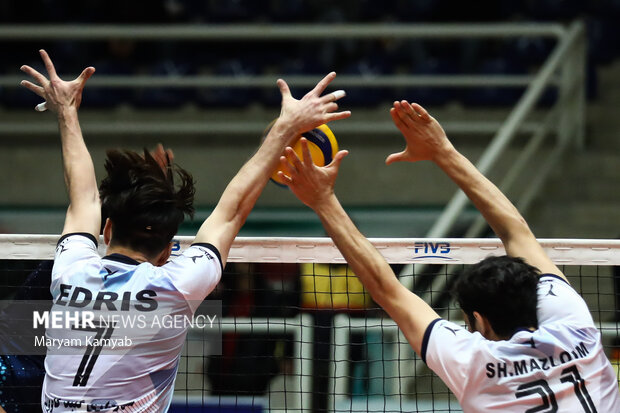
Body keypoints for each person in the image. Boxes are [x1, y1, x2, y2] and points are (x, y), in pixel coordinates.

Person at [19, 49, 350, 412]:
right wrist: (286, 128)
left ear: (107, 229)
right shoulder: (175, 285)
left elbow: (82, 199)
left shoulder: (71, 271)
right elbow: (231, 212)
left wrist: (66, 111)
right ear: (167, 252)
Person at [277, 100, 620, 412]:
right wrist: (443, 150)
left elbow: (387, 290)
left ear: (480, 321)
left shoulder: (473, 363)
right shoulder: (574, 324)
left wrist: (322, 200)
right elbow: (517, 233)